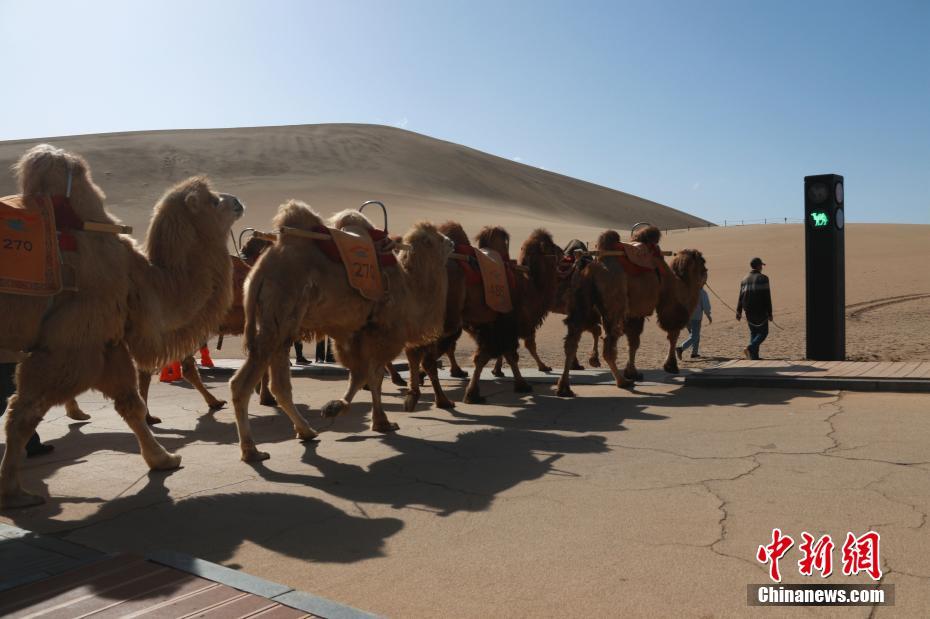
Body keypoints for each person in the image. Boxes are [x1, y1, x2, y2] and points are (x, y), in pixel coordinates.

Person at [0, 352, 54, 458]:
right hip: (9, 361)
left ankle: (32, 443)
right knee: (21, 405)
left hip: (7, 360)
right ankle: (32, 445)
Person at [736, 257, 773, 360]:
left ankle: (754, 357)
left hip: (748, 311)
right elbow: (767, 296)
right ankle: (750, 347)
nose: (762, 267)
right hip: (760, 310)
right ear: (758, 266)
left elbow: (740, 296)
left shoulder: (744, 279)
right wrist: (770, 313)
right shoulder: (763, 278)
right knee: (763, 332)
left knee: (754, 332)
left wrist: (738, 311)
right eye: (761, 265)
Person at [676, 286, 712, 359]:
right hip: (696, 318)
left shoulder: (687, 290)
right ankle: (681, 348)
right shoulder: (702, 292)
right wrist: (708, 315)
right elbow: (706, 305)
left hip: (686, 317)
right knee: (694, 336)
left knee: (695, 335)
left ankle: (694, 353)